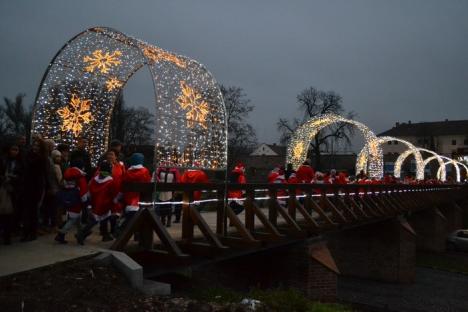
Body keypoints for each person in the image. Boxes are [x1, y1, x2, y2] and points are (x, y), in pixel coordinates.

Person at [76, 161, 118, 244]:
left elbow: (90, 189)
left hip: (95, 202)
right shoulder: (110, 181)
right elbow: (113, 193)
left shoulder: (95, 179)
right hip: (104, 203)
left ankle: (105, 235)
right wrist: (115, 201)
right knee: (97, 220)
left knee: (102, 218)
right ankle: (82, 234)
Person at [115, 153, 151, 236]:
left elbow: (122, 185)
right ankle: (136, 234)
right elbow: (148, 184)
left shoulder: (127, 172)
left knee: (130, 216)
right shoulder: (145, 171)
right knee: (138, 218)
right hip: (140, 199)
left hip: (129, 199)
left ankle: (125, 230)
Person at [21, 138, 49, 242]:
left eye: (37, 146)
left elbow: (44, 174)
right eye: (34, 145)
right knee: (26, 211)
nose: (35, 147)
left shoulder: (42, 158)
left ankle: (32, 232)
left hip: (36, 187)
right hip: (27, 186)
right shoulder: (28, 156)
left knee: (33, 211)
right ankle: (26, 232)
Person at [54, 163, 88, 244]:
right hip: (77, 201)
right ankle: (61, 234)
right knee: (73, 219)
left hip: (68, 198)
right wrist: (85, 202)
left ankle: (80, 235)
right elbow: (83, 192)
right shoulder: (80, 177)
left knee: (77, 219)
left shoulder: (68, 173)